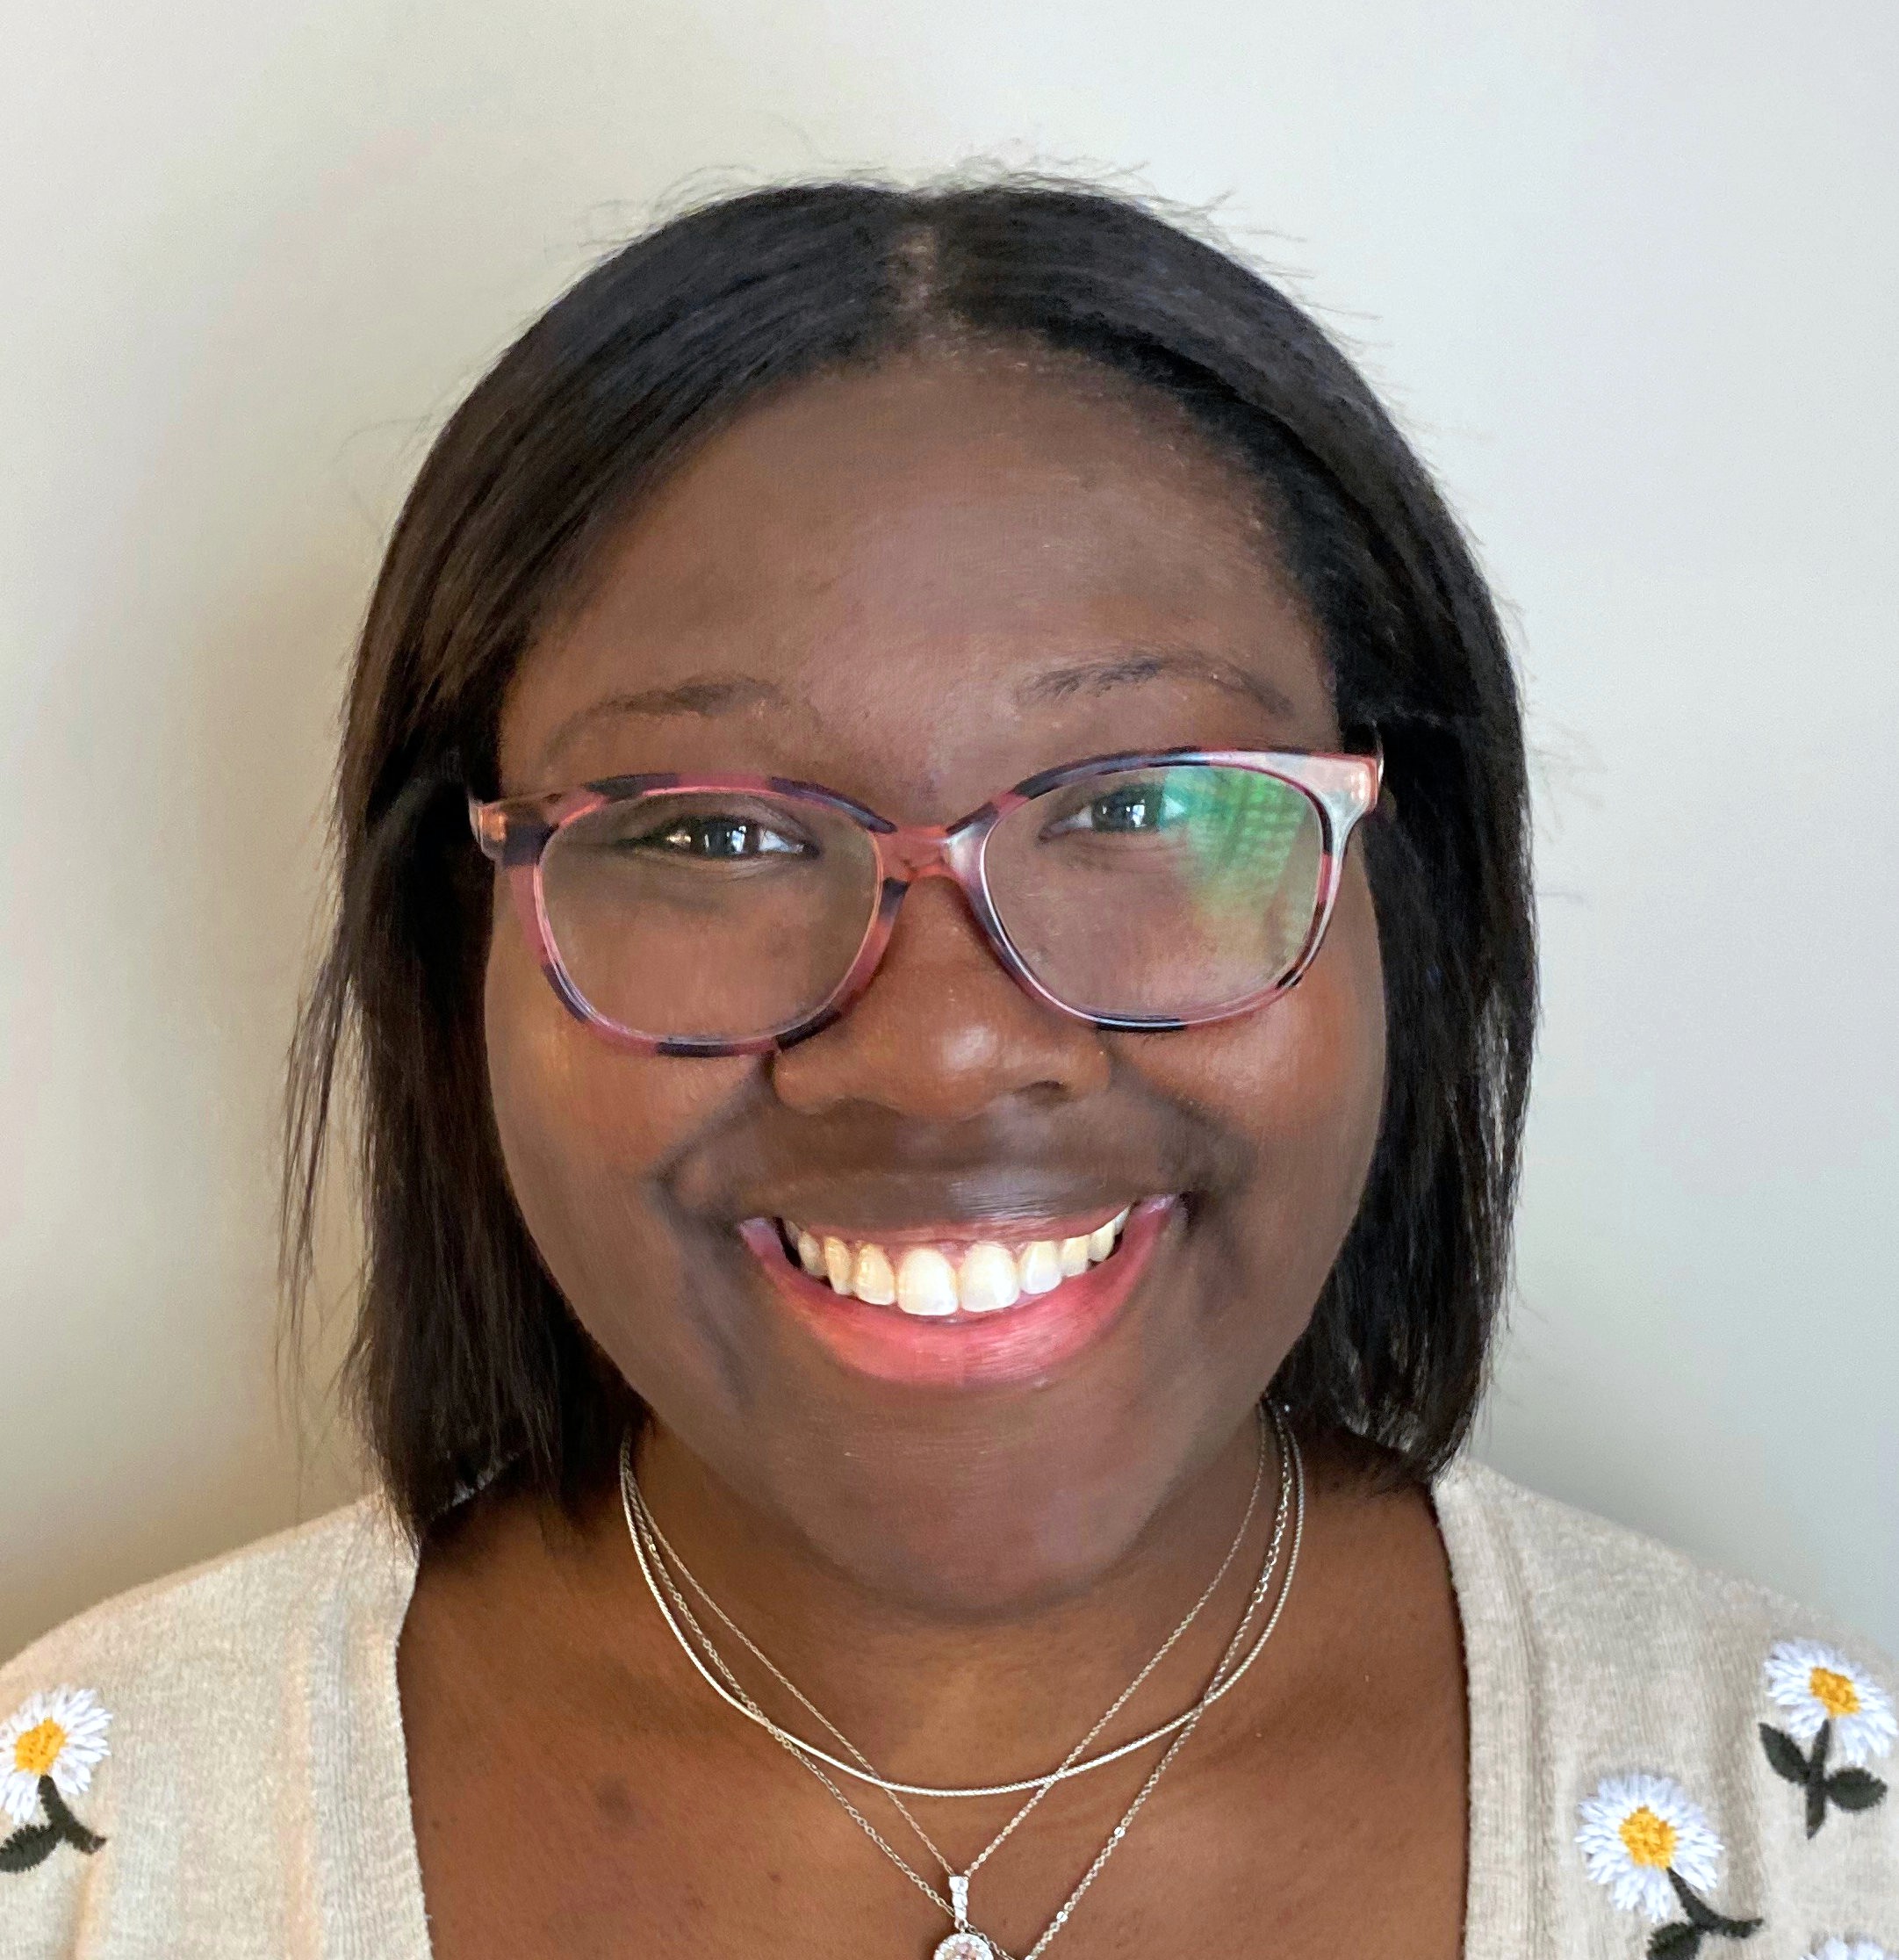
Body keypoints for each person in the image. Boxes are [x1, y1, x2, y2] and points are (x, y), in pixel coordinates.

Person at [2, 180, 1892, 1960]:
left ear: (1405, 898)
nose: (940, 1052)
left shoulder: (1817, 1833)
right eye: (715, 834)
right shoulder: (86, 1849)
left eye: (1141, 806)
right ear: (459, 947)